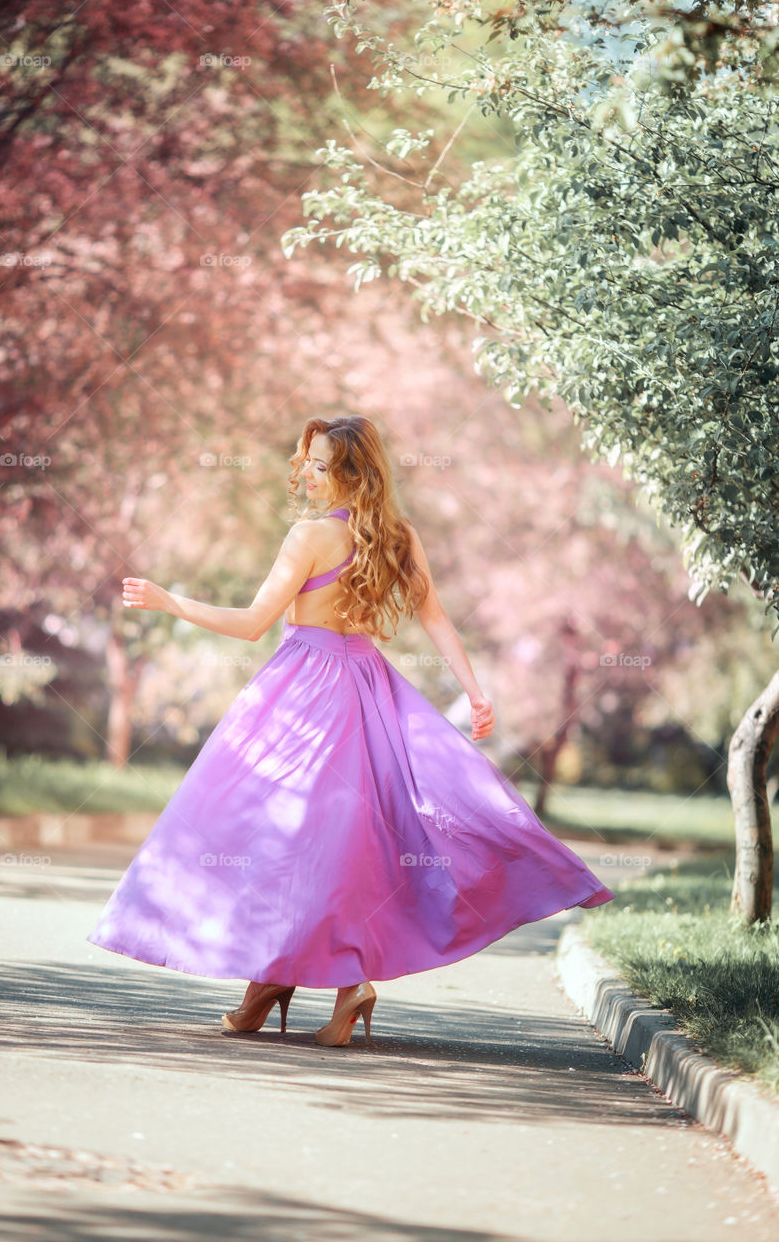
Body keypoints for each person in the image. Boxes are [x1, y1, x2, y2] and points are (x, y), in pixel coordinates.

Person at [86, 414, 614, 1047]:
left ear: (351, 472)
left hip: (304, 693)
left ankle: (279, 977)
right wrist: (474, 692)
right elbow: (437, 619)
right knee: (358, 837)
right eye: (305, 460)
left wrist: (171, 601)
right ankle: (335, 985)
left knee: (264, 825)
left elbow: (254, 623)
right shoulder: (397, 535)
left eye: (321, 464)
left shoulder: (307, 538)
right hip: (369, 688)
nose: (306, 474)